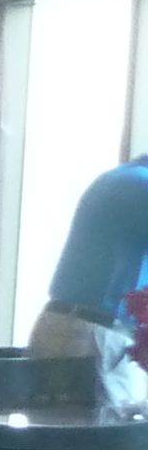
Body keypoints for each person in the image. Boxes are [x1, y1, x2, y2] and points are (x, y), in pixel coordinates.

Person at [28, 159, 148, 408]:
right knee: (114, 431)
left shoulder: (126, 179)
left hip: (86, 328)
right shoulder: (138, 183)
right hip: (94, 334)